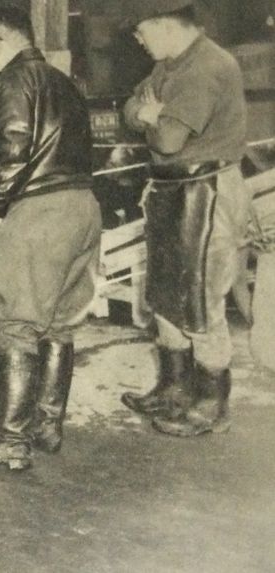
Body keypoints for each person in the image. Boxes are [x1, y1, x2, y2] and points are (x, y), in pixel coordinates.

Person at [0, 5, 101, 471]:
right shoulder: (63, 82)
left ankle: (9, 442)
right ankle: (46, 426)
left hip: (40, 212)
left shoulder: (15, 79)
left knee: (15, 322)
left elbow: (13, 146)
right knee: (57, 323)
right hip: (83, 207)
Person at [119, 0, 250, 437]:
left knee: (201, 296)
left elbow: (171, 140)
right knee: (165, 291)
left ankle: (211, 400)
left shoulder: (206, 67)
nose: (138, 41)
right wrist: (145, 113)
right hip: (171, 190)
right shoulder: (170, 64)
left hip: (206, 192)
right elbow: (128, 108)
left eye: (141, 32)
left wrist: (152, 118)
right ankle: (174, 388)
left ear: (164, 25)